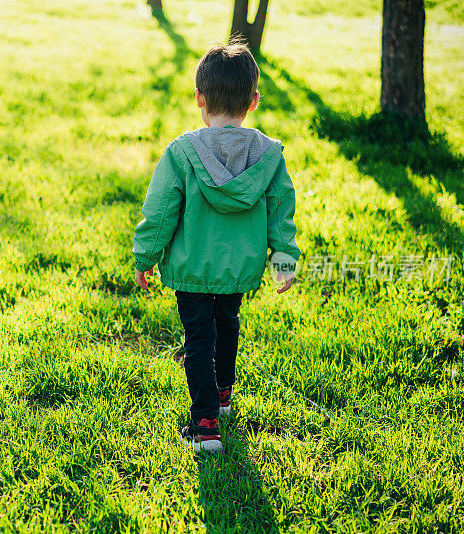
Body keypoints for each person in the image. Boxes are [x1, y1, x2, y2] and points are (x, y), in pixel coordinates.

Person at [132, 42, 300, 452]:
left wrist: (145, 256)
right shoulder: (269, 156)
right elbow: (281, 209)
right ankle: (222, 395)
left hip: (192, 268)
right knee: (227, 326)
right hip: (238, 268)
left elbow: (160, 209)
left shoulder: (182, 152)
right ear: (254, 101)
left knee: (198, 340)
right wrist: (283, 258)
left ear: (199, 99)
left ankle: (206, 425)